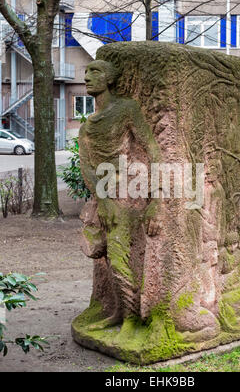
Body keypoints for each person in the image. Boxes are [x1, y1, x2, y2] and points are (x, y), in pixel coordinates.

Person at [79, 60, 162, 330]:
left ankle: (130, 320)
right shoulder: (87, 126)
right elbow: (86, 167)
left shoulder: (126, 109)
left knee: (117, 254)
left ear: (110, 79)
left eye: (95, 72)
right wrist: (101, 200)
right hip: (103, 197)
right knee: (103, 255)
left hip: (129, 191)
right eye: (86, 72)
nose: (87, 77)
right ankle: (117, 312)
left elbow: (152, 149)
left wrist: (156, 201)